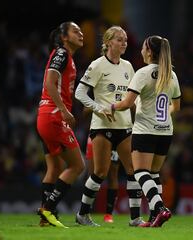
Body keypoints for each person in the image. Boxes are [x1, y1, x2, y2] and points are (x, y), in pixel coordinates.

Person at [74, 26, 143, 227]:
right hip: (102, 127)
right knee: (100, 172)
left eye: (126, 40)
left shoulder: (128, 67)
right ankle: (82, 214)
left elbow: (132, 98)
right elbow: (80, 93)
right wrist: (98, 108)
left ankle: (135, 218)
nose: (124, 43)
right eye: (120, 39)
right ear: (109, 42)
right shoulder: (97, 65)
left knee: (133, 170)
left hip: (125, 127)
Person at [110, 35, 181, 227]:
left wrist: (110, 107)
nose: (141, 50)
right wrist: (163, 115)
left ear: (149, 51)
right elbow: (177, 106)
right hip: (165, 131)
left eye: (143, 47)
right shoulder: (171, 74)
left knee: (141, 172)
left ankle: (159, 208)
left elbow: (126, 103)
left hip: (145, 130)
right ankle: (153, 216)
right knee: (154, 174)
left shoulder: (143, 73)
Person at [36, 21, 85, 228]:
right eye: (76, 31)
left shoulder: (66, 56)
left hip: (45, 116)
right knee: (77, 166)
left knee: (55, 166)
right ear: (64, 37)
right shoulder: (62, 54)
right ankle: (48, 208)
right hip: (54, 116)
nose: (81, 34)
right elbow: (49, 83)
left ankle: (44, 221)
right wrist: (64, 111)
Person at [85, 137, 120, 223]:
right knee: (92, 175)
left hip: (115, 138)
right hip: (96, 135)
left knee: (113, 174)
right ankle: (85, 211)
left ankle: (109, 214)